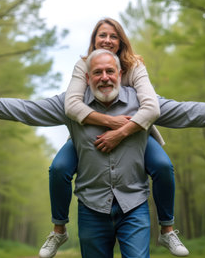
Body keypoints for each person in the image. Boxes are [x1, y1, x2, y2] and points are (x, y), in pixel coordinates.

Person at [0, 49, 205, 258]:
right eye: (97, 73)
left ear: (121, 74)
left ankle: (167, 230)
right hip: (91, 208)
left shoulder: (143, 104)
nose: (104, 78)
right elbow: (27, 109)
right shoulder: (68, 105)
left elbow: (188, 111)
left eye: (110, 72)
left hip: (135, 207)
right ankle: (58, 230)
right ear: (87, 78)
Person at [44, 18, 180, 258]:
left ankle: (167, 229)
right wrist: (110, 122)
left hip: (134, 131)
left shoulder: (134, 65)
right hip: (89, 132)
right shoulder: (84, 64)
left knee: (162, 165)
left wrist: (120, 132)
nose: (107, 40)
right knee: (59, 168)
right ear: (94, 40)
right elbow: (72, 105)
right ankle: (58, 229)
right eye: (102, 35)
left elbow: (152, 108)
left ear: (121, 42)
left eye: (113, 36)